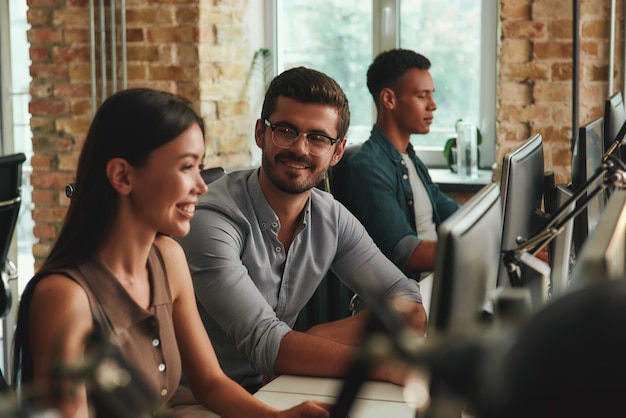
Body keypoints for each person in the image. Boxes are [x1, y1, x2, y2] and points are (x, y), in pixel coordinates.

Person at [11, 88, 333, 418]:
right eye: (186, 167)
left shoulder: (168, 258)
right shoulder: (65, 296)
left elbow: (208, 382)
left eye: (200, 166)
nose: (201, 186)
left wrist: (279, 417)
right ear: (122, 175)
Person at [176, 66, 428, 394]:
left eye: (318, 138)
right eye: (285, 130)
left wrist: (308, 343)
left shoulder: (331, 216)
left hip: (284, 383)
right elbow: (265, 342)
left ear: (337, 151)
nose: (300, 148)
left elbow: (410, 307)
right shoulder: (212, 218)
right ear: (260, 134)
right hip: (201, 400)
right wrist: (380, 365)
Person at [344, 49, 460, 281]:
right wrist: (485, 248)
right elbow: (406, 254)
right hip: (411, 299)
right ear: (389, 99)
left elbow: (458, 216)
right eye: (422, 96)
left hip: (439, 282)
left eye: (432, 95)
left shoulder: (409, 158)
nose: (433, 105)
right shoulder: (367, 166)